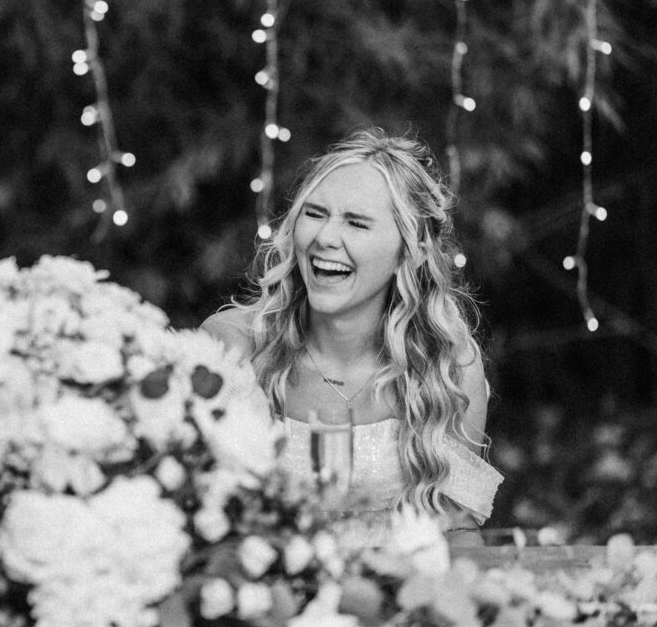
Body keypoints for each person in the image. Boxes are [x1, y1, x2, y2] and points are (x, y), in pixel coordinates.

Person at [202, 127, 502, 546]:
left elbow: (458, 539)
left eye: (356, 223)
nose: (325, 238)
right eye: (315, 213)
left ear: (409, 249)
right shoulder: (234, 348)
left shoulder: (447, 367)